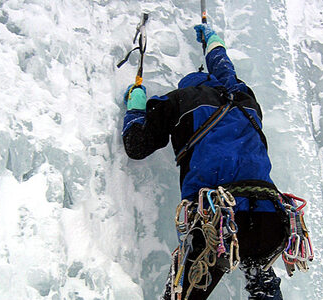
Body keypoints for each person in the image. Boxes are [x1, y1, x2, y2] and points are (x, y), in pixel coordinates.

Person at [121, 24, 288, 300]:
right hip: (270, 219)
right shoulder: (243, 98)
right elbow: (226, 69)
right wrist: (213, 41)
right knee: (262, 276)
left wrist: (136, 106)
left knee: (182, 293)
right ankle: (263, 283)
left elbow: (137, 146)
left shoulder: (180, 101)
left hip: (217, 220)